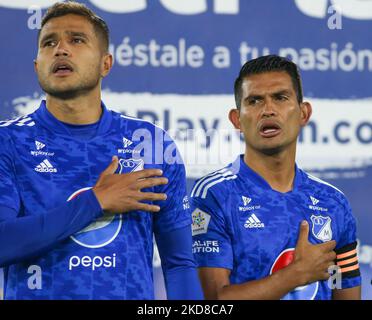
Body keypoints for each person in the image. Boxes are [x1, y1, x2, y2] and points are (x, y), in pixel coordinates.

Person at [0, 1, 203, 300]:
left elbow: (179, 264)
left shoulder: (150, 143)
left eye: (77, 40)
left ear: (105, 64)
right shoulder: (8, 140)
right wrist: (95, 202)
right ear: (37, 65)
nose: (61, 49)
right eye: (49, 43)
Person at [190, 55, 361, 300]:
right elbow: (213, 300)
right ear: (237, 119)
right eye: (255, 101)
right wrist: (296, 274)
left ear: (303, 113)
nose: (268, 110)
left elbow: (346, 294)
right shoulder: (213, 195)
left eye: (281, 98)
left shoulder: (333, 202)